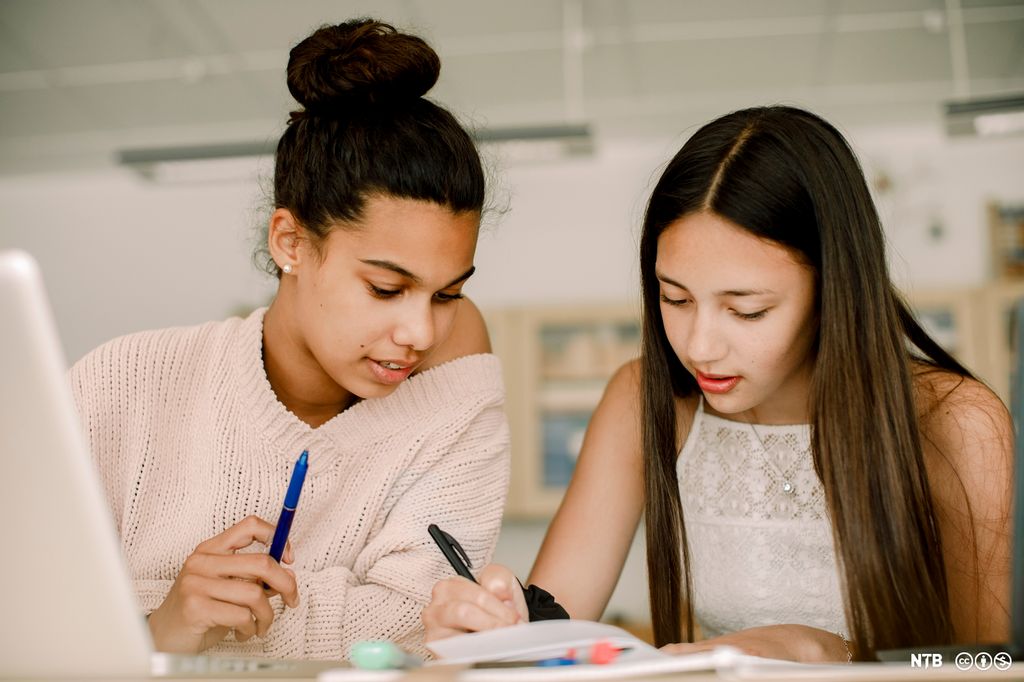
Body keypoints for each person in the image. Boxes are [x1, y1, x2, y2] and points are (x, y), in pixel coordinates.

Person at [421, 106, 1013, 662]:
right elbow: (553, 627)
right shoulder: (644, 399)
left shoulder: (955, 420)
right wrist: (497, 628)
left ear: (833, 289)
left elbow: (982, 665)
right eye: (674, 298)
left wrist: (830, 653)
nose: (699, 346)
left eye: (747, 310)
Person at [69, 19, 510, 660]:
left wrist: (187, 617)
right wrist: (160, 627)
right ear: (291, 242)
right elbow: (30, 613)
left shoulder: (453, 401)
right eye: (386, 289)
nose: (420, 333)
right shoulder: (120, 381)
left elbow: (420, 617)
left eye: (447, 294)